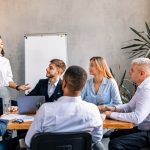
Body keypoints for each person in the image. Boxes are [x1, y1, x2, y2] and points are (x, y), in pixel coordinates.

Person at [25, 66, 104, 150]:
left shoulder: (45, 109)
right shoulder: (93, 110)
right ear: (83, 86)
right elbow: (96, 138)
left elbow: (29, 142)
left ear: (64, 84)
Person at [104, 58, 150, 150]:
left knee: (115, 144)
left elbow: (137, 118)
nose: (129, 72)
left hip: (148, 131)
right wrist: (110, 108)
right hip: (143, 128)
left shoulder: (147, 89)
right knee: (115, 135)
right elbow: (129, 106)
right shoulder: (143, 86)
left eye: (132, 70)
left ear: (142, 74)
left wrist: (111, 114)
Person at [0, 36, 30, 112]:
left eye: (1, 44)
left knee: (4, 118)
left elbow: (8, 80)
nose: (0, 46)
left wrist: (18, 87)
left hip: (3, 94)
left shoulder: (5, 61)